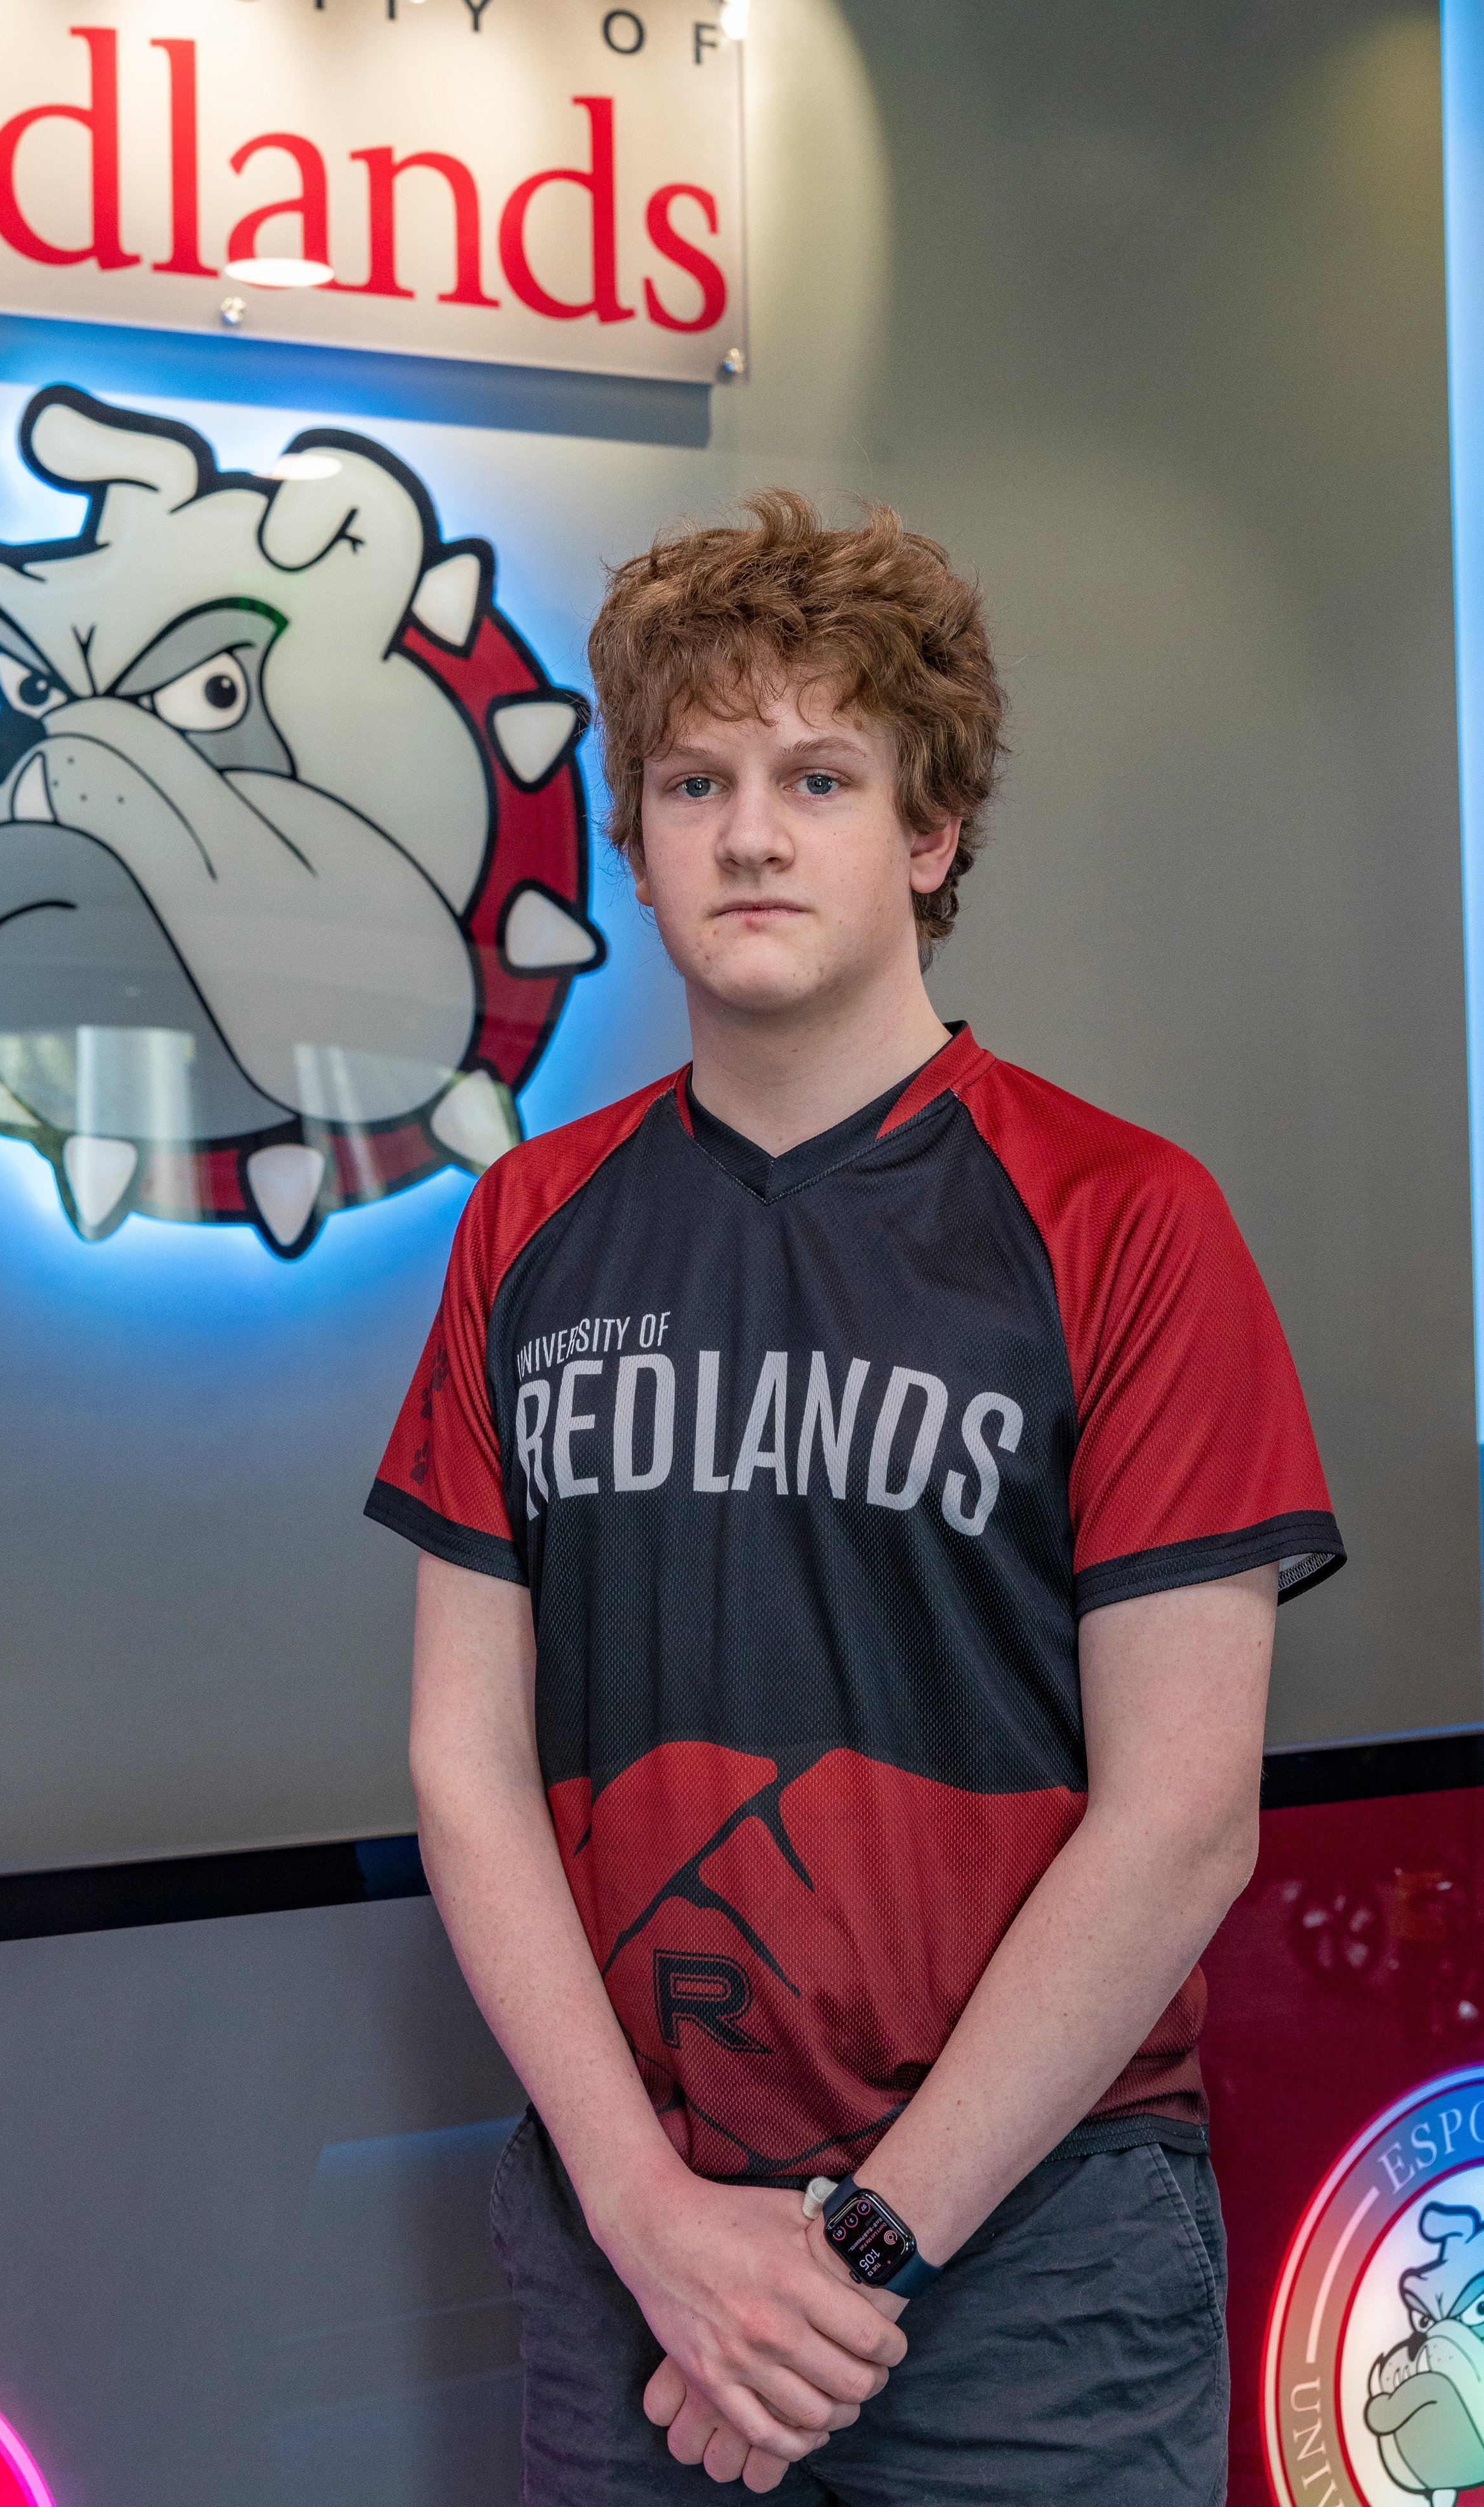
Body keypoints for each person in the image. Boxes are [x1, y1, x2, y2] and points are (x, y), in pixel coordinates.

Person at [364, 493, 1342, 2505]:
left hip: (1035, 2259)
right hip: (628, 2252)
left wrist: (853, 2254)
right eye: (692, 780)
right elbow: (463, 1768)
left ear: (927, 831)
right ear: (629, 841)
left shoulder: (1123, 1223)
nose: (746, 832)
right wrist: (651, 2221)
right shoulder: (526, 1229)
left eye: (818, 776)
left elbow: (1183, 1819)